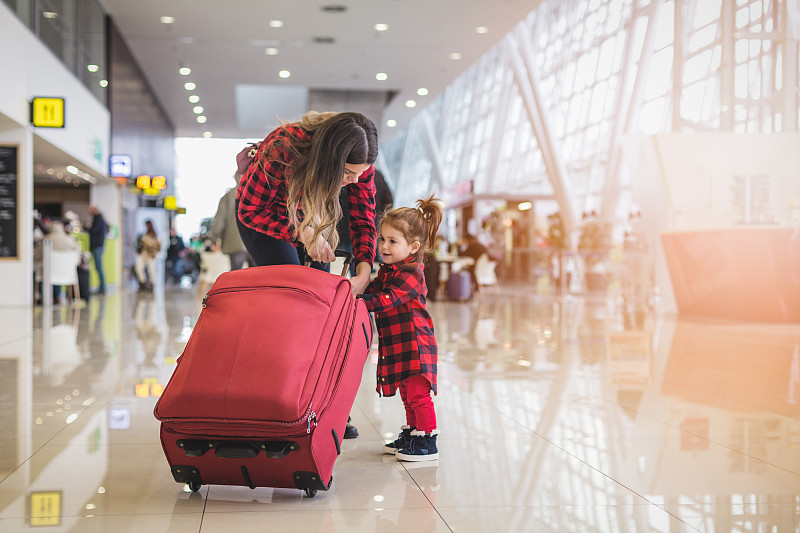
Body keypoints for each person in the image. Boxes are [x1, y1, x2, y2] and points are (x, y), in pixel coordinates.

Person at [236, 110, 379, 439]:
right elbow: (250, 210)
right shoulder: (284, 147)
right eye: (348, 173)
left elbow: (362, 216)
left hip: (316, 217)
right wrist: (301, 234)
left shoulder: (361, 166)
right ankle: (281, 404)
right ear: (330, 159)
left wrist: (365, 268)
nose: (355, 180)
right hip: (266, 219)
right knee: (291, 309)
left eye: (362, 173)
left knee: (322, 312)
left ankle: (322, 407)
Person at [359, 195, 443, 462]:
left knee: (418, 395)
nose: (383, 246)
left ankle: (428, 440)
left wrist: (361, 300)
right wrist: (358, 290)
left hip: (416, 345)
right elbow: (373, 288)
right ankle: (413, 432)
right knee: (407, 393)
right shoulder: (388, 270)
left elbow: (388, 299)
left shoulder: (411, 273)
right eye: (382, 239)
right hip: (400, 343)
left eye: (392, 241)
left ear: (413, 246)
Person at [209, 172, 251, 270]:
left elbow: (220, 220)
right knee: (256, 277)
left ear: (236, 178)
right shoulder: (258, 193)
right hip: (257, 243)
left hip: (235, 243)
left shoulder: (228, 197)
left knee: (236, 276)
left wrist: (213, 239)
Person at [134, 220, 161, 291]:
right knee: (138, 267)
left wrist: (146, 241)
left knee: (151, 269)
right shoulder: (143, 234)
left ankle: (152, 284)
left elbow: (157, 245)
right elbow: (140, 243)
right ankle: (142, 283)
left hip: (150, 254)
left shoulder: (154, 235)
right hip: (143, 253)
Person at [88, 206, 108, 294]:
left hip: (97, 246)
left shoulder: (98, 220)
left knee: (99, 267)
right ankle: (101, 287)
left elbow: (94, 231)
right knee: (98, 267)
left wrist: (86, 229)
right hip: (98, 246)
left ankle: (102, 287)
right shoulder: (99, 219)